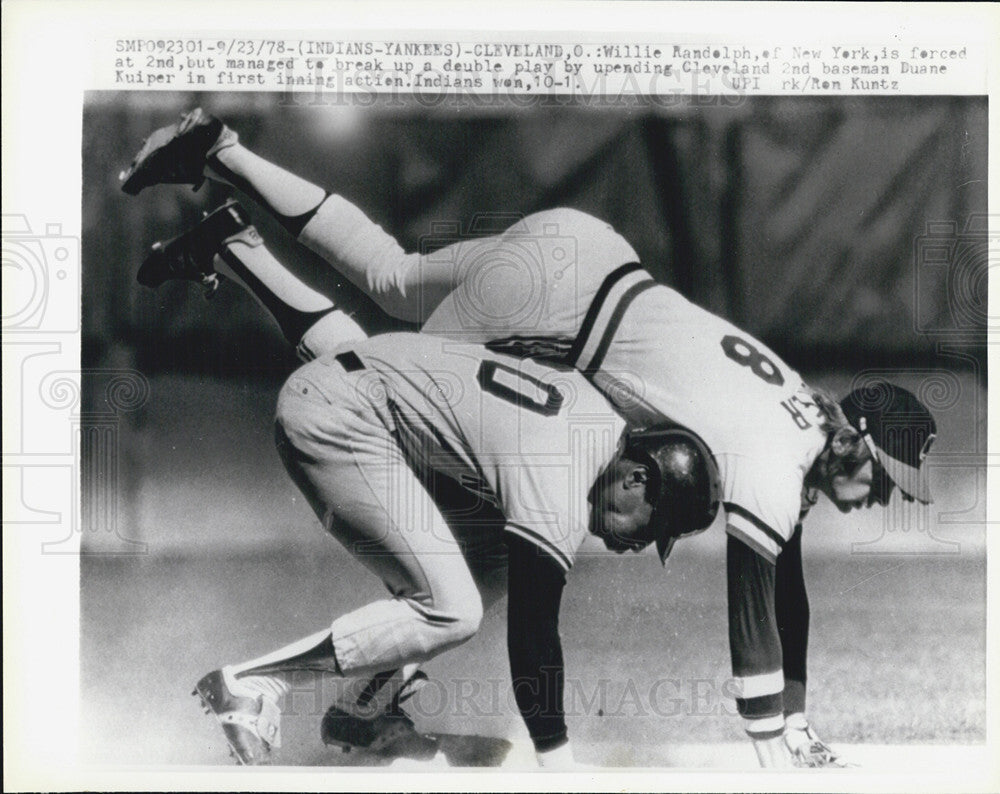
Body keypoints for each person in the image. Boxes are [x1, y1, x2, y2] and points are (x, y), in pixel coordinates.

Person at [121, 108, 938, 768]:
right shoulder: (772, 462)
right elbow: (758, 610)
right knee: (396, 390)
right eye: (884, 476)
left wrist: (801, 721)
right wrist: (774, 747)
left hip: (586, 255)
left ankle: (223, 156)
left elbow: (787, 585)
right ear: (853, 441)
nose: (881, 496)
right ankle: (237, 246)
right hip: (564, 315)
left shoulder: (799, 410)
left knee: (395, 279)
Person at [192, 329, 719, 766]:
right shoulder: (564, 481)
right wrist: (558, 765)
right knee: (453, 611)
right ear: (638, 480)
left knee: (493, 564)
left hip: (354, 405)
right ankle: (255, 685)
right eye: (655, 527)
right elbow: (534, 637)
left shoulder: (594, 420)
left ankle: (362, 710)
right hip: (341, 418)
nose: (639, 546)